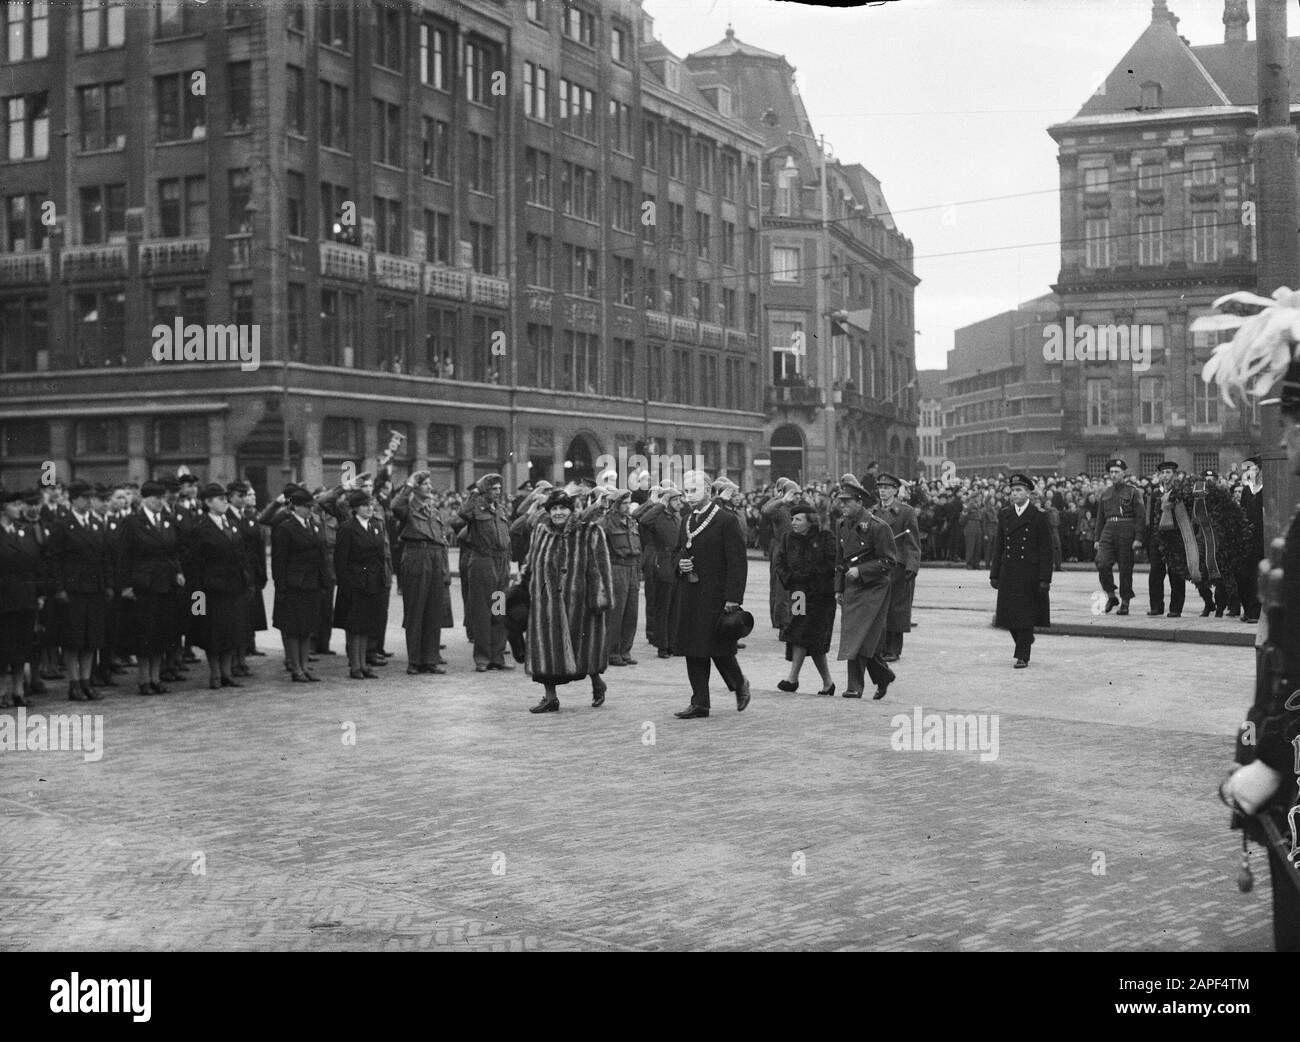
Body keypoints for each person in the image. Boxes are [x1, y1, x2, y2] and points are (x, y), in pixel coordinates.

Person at [523, 488, 614, 713]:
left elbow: (600, 567)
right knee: (546, 652)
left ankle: (597, 683)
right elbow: (532, 565)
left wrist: (600, 599)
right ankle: (550, 697)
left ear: (571, 510)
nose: (558, 512)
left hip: (580, 602)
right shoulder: (540, 532)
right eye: (554, 508)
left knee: (584, 648)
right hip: (546, 605)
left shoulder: (589, 532)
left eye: (562, 508)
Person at [672, 470, 750, 719]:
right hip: (691, 593)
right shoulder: (686, 520)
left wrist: (733, 597)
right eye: (686, 491)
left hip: (716, 596)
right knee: (693, 648)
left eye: (694, 490)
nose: (689, 495)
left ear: (707, 490)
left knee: (718, 648)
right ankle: (700, 702)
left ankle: (739, 684)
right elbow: (677, 552)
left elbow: (738, 562)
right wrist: (679, 565)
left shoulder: (725, 520)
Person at [833, 475, 898, 700]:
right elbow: (840, 561)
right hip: (852, 587)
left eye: (847, 501)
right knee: (857, 635)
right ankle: (883, 676)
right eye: (840, 501)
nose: (842, 505)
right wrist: (838, 588)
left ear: (859, 502)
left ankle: (854, 687)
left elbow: (889, 561)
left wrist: (861, 571)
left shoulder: (878, 527)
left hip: (874, 589)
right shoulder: (841, 525)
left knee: (860, 635)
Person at [118, 479, 185, 696]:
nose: (159, 502)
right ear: (145, 499)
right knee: (145, 632)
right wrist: (126, 585)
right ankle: (144, 678)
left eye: (161, 498)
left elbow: (173, 550)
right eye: (155, 498)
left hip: (166, 583)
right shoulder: (133, 522)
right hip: (144, 584)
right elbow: (123, 556)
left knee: (162, 631)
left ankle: (156, 677)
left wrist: (178, 571)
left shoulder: (167, 520)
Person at [49, 479, 108, 702]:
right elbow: (53, 560)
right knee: (73, 639)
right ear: (74, 499)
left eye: (91, 497)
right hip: (73, 590)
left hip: (94, 588)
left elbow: (104, 559)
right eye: (85, 497)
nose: (89, 501)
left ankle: (86, 681)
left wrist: (107, 585)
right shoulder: (63, 524)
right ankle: (74, 683)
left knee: (91, 638)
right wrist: (59, 588)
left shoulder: (95, 523)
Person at [188, 483, 252, 690]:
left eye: (226, 498)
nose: (225, 501)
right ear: (207, 502)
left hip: (234, 587)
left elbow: (242, 556)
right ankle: (215, 673)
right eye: (220, 498)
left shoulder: (232, 524)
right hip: (211, 589)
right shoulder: (200, 528)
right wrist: (197, 597)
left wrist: (246, 581)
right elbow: (195, 564)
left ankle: (227, 673)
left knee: (232, 631)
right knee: (213, 633)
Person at [772, 500, 837, 696]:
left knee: (812, 636)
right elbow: (779, 562)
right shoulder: (788, 538)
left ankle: (798, 679)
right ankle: (817, 681)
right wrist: (791, 579)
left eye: (798, 519)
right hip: (798, 593)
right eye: (792, 519)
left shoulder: (825, 537)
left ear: (810, 521)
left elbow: (831, 563)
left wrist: (812, 575)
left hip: (820, 596)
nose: (793, 522)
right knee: (800, 631)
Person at [391, 471, 453, 675]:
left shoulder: (434, 510)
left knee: (433, 611)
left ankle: (430, 659)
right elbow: (394, 506)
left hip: (435, 557)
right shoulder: (408, 508)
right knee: (416, 610)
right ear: (416, 488)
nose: (429, 486)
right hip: (416, 555)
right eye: (424, 484)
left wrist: (444, 569)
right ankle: (415, 661)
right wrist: (408, 484)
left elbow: (442, 540)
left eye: (429, 483)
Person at [988, 473, 1052, 668]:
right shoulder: (1005, 514)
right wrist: (994, 573)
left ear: (1028, 493)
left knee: (1025, 616)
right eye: (1013, 490)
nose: (1014, 494)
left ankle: (1022, 654)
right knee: (1008, 616)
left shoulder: (1039, 516)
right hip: (1009, 570)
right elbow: (999, 545)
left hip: (1029, 573)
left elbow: (1046, 550)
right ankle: (1025, 640)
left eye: (1019, 490)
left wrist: (1044, 578)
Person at [455, 473, 512, 672]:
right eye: (492, 489)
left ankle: (498, 656)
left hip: (501, 564)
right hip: (483, 563)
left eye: (498, 488)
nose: (497, 492)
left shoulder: (501, 510)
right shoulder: (475, 509)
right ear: (484, 491)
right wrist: (475, 492)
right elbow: (463, 513)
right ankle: (482, 658)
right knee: (481, 611)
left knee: (499, 610)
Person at [272, 488, 327, 682]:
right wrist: (281, 588)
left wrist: (323, 580)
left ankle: (305, 666)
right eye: (306, 507)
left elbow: (320, 555)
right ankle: (296, 667)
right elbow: (279, 561)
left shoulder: (313, 525)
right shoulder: (285, 528)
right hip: (294, 584)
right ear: (295, 506)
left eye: (311, 506)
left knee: (307, 627)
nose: (309, 510)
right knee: (294, 629)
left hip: (311, 583)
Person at [333, 490, 390, 680]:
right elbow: (340, 561)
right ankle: (355, 665)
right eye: (365, 505)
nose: (370, 508)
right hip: (355, 584)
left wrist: (381, 580)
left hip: (372, 583)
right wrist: (346, 585)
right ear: (356, 508)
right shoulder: (347, 528)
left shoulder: (375, 526)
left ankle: (364, 664)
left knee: (366, 625)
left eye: (371, 505)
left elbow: (380, 557)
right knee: (354, 626)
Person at [0, 488, 45, 708]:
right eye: (15, 505)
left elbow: (35, 564)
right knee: (3, 647)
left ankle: (18, 691)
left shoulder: (24, 531)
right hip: (3, 599)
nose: (20, 509)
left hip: (25, 597)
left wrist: (38, 594)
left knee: (21, 646)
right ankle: (1, 692)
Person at [637, 481, 684, 659]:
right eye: (676, 500)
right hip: (662, 562)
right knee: (663, 607)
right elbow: (643, 519)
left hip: (676, 563)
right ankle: (662, 646)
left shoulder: (677, 517)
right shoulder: (657, 515)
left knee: (675, 606)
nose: (680, 503)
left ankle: (673, 643)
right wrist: (660, 504)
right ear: (668, 501)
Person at [875, 473, 919, 663]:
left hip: (898, 566)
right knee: (880, 607)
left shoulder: (906, 512)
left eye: (887, 488)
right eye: (880, 488)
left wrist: (912, 565)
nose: (883, 491)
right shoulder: (873, 512)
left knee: (897, 609)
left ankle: (894, 648)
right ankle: (881, 646)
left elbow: (913, 543)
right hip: (878, 567)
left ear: (894, 490)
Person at [1094, 458, 1146, 615]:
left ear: (1124, 473)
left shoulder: (1132, 492)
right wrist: (1097, 539)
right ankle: (1111, 595)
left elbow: (1140, 516)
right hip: (1108, 530)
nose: (1113, 475)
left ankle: (1125, 601)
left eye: (1117, 472)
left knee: (1125, 568)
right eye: (1111, 472)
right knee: (1101, 563)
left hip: (1126, 529)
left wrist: (1138, 538)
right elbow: (1100, 518)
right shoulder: (1106, 493)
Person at [601, 489, 641, 666]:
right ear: (616, 505)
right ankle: (612, 651)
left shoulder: (632, 522)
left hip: (632, 567)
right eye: (624, 503)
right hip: (617, 567)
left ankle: (625, 650)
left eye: (628, 502)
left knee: (632, 612)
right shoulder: (607, 522)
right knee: (617, 612)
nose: (627, 506)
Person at [1145, 461, 1186, 618]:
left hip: (1175, 538)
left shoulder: (1179, 493)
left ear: (1174, 475)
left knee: (1175, 573)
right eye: (1163, 473)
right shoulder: (1155, 493)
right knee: (1155, 572)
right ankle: (1156, 606)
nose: (1165, 476)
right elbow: (1149, 518)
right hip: (1157, 538)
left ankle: (1175, 608)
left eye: (1168, 472)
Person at [762, 478, 800, 629]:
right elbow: (765, 510)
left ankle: (796, 618)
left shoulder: (799, 507)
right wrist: (781, 500)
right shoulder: (779, 509)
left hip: (797, 550)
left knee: (798, 587)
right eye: (794, 494)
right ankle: (781, 622)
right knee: (780, 589)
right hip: (782, 550)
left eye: (799, 494)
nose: (798, 497)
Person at [1237, 455, 1264, 624]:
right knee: (1243, 575)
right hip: (1247, 538)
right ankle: (1247, 608)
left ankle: (1255, 611)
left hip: (1262, 537)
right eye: (1248, 469)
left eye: (1253, 469)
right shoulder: (1247, 490)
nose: (1249, 472)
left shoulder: (1267, 489)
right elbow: (1242, 513)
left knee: (1258, 575)